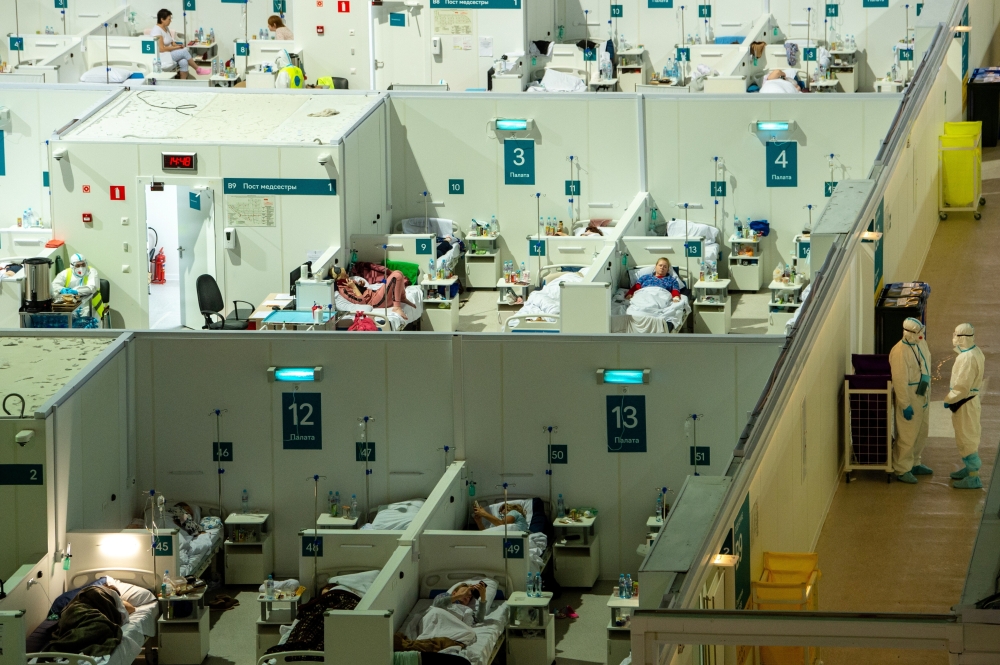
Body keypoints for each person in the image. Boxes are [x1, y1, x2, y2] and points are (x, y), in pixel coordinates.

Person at [889, 317, 932, 483]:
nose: (921, 335)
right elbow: (900, 381)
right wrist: (905, 404)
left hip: (923, 393)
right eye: (918, 333)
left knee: (921, 430)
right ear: (908, 333)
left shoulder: (921, 344)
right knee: (908, 433)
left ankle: (915, 462)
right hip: (910, 396)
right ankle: (902, 468)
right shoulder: (899, 352)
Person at [944, 323, 986, 489]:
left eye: (956, 335)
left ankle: (973, 476)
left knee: (967, 437)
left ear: (962, 338)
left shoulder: (967, 358)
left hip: (965, 401)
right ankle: (968, 469)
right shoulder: (974, 352)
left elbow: (962, 386)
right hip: (967, 401)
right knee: (965, 435)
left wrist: (949, 398)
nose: (954, 338)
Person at [333, 266, 414, 321]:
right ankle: (396, 307)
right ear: (341, 277)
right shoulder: (343, 290)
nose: (348, 275)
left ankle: (402, 297)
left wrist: (360, 285)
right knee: (396, 276)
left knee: (398, 272)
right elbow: (362, 302)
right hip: (375, 301)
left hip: (374, 294)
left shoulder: (347, 281)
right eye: (345, 274)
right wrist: (354, 287)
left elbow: (360, 290)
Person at [51, 253, 104, 323]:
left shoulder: (91, 271)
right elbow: (54, 285)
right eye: (78, 265)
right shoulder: (65, 273)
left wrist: (75, 291)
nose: (81, 268)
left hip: (91, 306)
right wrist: (62, 289)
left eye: (83, 264)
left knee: (89, 326)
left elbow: (92, 287)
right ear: (72, 266)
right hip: (71, 307)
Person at [151, 10, 195, 79]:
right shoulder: (157, 30)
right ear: (162, 19)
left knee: (184, 62)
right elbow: (161, 49)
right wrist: (176, 48)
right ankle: (198, 69)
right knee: (184, 52)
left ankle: (183, 85)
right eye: (169, 19)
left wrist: (178, 46)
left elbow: (172, 42)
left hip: (170, 52)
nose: (170, 21)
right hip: (163, 55)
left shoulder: (166, 28)